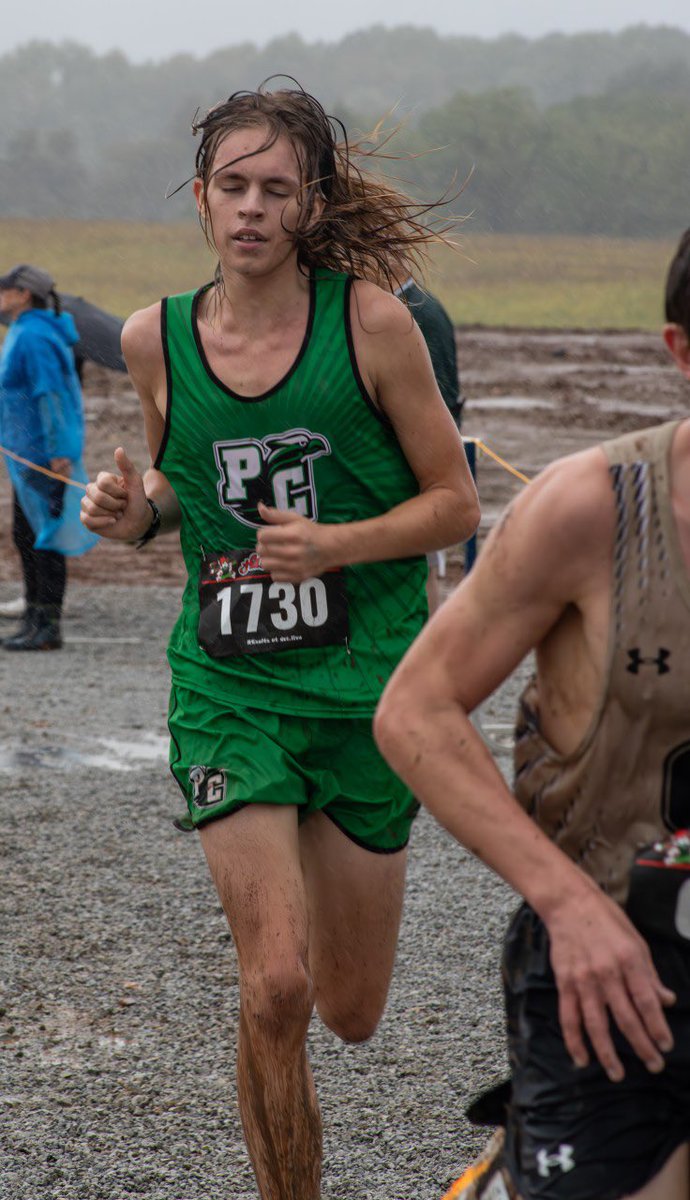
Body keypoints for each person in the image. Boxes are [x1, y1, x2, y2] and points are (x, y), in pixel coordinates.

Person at [80, 83, 479, 1200]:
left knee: (348, 1010)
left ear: (311, 205)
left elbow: (456, 503)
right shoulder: (153, 337)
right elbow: (182, 486)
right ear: (201, 198)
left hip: (367, 687)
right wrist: (137, 513)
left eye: (276, 189)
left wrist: (335, 545)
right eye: (233, 186)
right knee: (277, 988)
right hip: (231, 683)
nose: (251, 208)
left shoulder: (374, 326)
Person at [374, 227, 690, 1200]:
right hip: (617, 968)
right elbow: (415, 712)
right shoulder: (593, 508)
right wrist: (567, 904)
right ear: (682, 351)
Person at [0, 264, 96, 649]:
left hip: (41, 453)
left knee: (46, 537)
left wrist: (60, 451)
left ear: (23, 294)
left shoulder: (35, 335)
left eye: (4, 289)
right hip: (24, 452)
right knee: (26, 534)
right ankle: (32, 617)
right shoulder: (25, 330)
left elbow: (51, 394)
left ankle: (48, 626)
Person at [389, 261, 464, 612]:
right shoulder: (408, 307)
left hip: (423, 460)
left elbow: (441, 395)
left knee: (425, 564)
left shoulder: (419, 312)